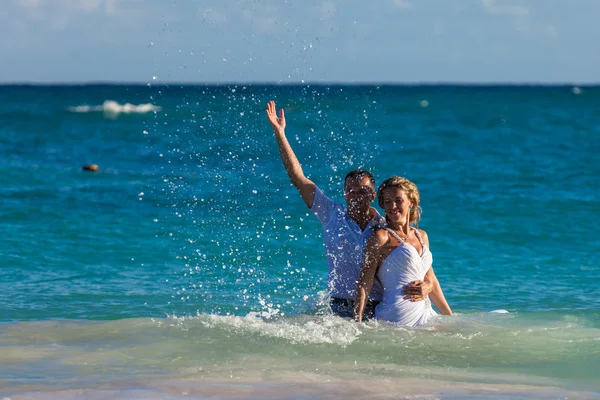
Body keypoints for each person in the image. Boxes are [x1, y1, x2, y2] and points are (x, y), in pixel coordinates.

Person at [266, 101, 433, 318]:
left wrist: (428, 286)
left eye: (363, 191)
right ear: (344, 194)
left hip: (378, 307)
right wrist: (280, 134)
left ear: (373, 196)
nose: (356, 195)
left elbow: (419, 263)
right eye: (350, 191)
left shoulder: (386, 226)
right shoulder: (330, 214)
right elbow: (298, 178)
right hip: (338, 305)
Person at [354, 176, 452, 326]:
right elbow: (364, 282)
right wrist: (357, 322)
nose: (393, 206)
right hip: (396, 316)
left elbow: (430, 279)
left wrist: (450, 317)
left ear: (411, 203)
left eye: (398, 200)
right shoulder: (381, 237)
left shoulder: (422, 236)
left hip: (425, 313)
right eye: (387, 202)